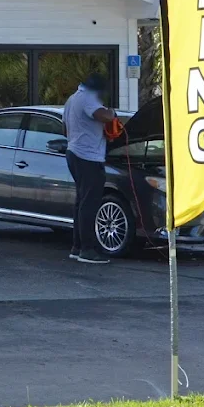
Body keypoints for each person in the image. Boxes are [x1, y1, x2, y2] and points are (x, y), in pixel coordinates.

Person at [63, 72, 117, 264]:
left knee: (81, 202)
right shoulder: (88, 98)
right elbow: (102, 115)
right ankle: (87, 250)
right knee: (89, 204)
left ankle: (77, 247)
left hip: (73, 153)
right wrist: (112, 113)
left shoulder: (72, 99)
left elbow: (65, 128)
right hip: (88, 157)